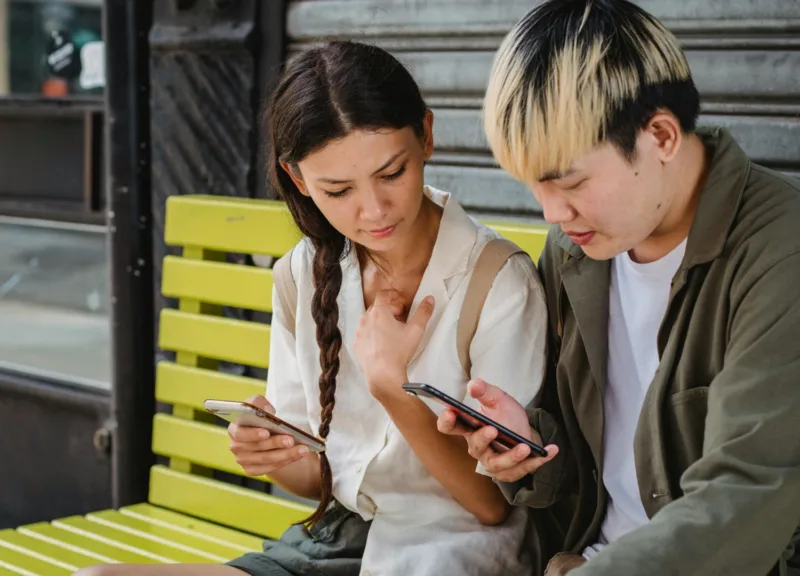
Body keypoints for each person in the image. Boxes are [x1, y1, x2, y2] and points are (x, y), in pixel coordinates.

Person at [439, 1, 800, 574]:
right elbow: (597, 458)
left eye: (571, 181)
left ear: (660, 136)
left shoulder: (794, 252)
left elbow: (745, 498)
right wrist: (529, 447)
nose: (553, 213)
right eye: (535, 187)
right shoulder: (577, 252)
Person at [76, 40, 547, 576]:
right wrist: (273, 457)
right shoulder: (305, 274)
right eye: (339, 189)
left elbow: (491, 505)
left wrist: (391, 386)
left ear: (427, 136)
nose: (373, 210)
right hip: (334, 544)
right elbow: (316, 480)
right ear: (299, 180)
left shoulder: (499, 283)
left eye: (391, 173)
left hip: (453, 549)